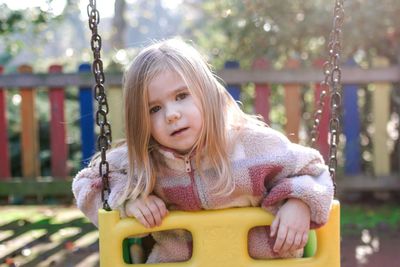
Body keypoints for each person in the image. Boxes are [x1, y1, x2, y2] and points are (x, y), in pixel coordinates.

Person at [72, 38, 334, 263]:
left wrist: (299, 202)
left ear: (207, 94)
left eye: (181, 96)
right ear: (142, 121)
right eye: (154, 109)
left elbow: (313, 171)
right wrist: (128, 199)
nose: (172, 115)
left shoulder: (254, 147)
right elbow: (87, 184)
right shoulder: (144, 162)